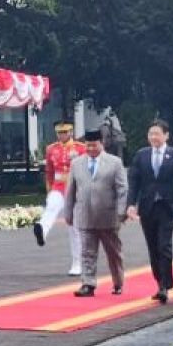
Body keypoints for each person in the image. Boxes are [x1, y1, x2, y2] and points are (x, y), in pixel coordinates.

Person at [126, 119, 173, 304]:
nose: (153, 137)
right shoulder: (141, 155)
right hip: (147, 207)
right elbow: (134, 183)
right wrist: (131, 204)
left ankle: (165, 286)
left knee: (164, 246)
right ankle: (159, 282)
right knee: (153, 247)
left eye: (157, 133)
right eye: (151, 134)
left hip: (167, 207)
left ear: (166, 135)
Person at [64, 129, 127, 297]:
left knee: (113, 253)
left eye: (94, 145)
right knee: (87, 252)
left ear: (102, 143)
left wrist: (122, 211)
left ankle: (118, 281)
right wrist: (68, 212)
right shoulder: (77, 164)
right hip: (85, 215)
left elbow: (122, 189)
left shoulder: (115, 163)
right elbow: (70, 190)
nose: (90, 148)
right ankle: (88, 283)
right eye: (88, 145)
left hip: (108, 216)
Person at [33, 120, 87, 275]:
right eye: (59, 133)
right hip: (58, 185)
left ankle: (77, 263)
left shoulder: (80, 148)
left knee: (74, 227)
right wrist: (49, 189)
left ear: (71, 132)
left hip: (76, 188)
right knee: (51, 206)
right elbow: (49, 171)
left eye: (65, 132)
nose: (62, 135)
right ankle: (42, 230)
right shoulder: (51, 149)